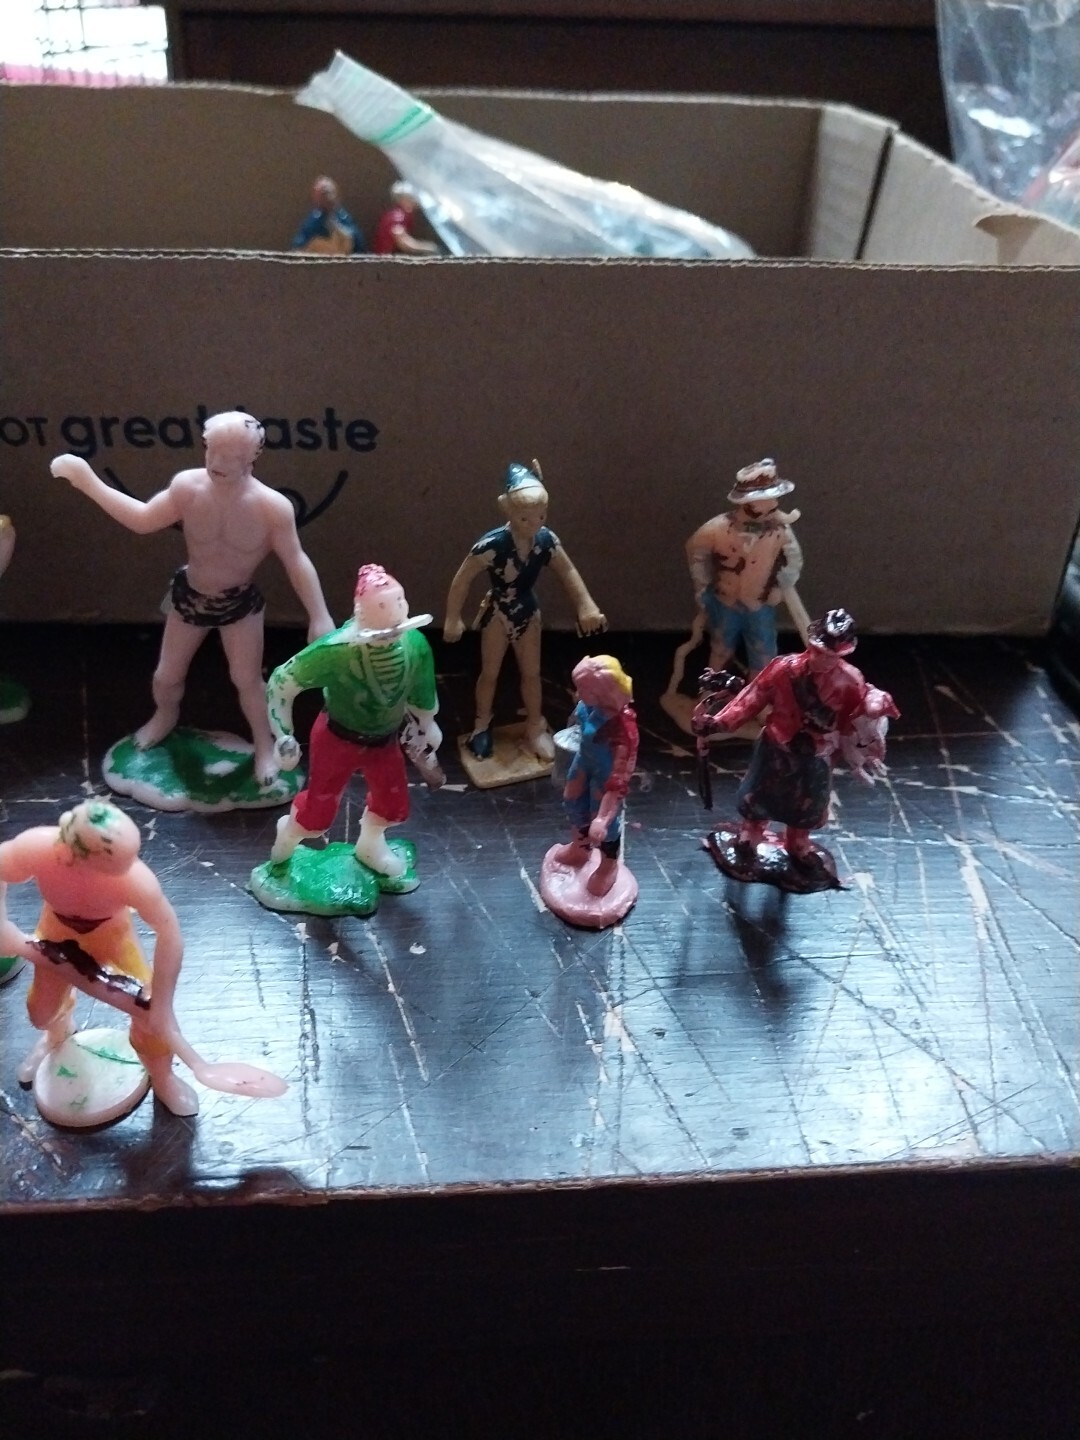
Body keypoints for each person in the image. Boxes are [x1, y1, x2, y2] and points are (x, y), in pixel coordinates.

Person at [52, 412, 334, 784]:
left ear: (251, 458)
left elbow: (296, 560)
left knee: (247, 679)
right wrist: (87, 481)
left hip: (240, 604)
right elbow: (141, 519)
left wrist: (318, 613)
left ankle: (264, 744)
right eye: (211, 450)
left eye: (230, 456)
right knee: (166, 675)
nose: (217, 462)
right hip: (191, 596)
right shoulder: (188, 487)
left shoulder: (271, 507)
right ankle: (165, 716)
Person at [0, 800, 202, 1115]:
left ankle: (163, 1077)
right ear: (68, 853)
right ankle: (57, 1035)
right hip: (55, 931)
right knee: (41, 1011)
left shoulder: (134, 879)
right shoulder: (38, 848)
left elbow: (170, 934)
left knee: (151, 1017)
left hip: (113, 937)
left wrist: (162, 1004)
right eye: (110, 868)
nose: (127, 871)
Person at [267, 564, 441, 881]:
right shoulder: (338, 651)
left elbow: (422, 688)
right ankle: (290, 833)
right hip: (337, 739)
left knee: (393, 803)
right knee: (318, 813)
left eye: (399, 600)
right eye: (383, 605)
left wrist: (427, 723)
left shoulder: (415, 645)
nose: (395, 611)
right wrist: (283, 735)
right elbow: (282, 681)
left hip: (385, 740)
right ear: (362, 612)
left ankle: (370, 845)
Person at [692, 608, 898, 870]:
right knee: (758, 795)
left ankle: (797, 844)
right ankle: (749, 837)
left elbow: (852, 722)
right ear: (811, 645)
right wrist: (719, 723)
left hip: (817, 752)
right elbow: (752, 698)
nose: (823, 659)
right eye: (819, 651)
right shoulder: (782, 669)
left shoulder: (850, 681)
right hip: (776, 744)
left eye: (830, 655)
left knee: (808, 805)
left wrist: (863, 746)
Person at [444, 461, 606, 763]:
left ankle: (534, 726)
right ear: (505, 508)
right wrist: (453, 618)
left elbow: (567, 570)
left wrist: (586, 605)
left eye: (541, 516)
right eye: (524, 517)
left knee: (531, 674)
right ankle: (481, 725)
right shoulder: (492, 544)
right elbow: (462, 578)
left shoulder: (545, 540)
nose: (534, 523)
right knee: (490, 673)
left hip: (528, 612)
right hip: (498, 613)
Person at [684, 457, 803, 677]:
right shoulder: (717, 529)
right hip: (725, 601)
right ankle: (714, 688)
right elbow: (696, 551)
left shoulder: (780, 531)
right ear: (749, 503)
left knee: (763, 651)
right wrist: (703, 587)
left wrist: (780, 586)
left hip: (759, 604)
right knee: (720, 648)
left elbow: (794, 560)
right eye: (766, 500)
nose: (773, 505)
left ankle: (760, 692)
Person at [551, 655, 639, 899]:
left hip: (606, 776)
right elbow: (576, 727)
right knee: (572, 801)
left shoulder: (622, 729)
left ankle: (608, 865)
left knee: (602, 825)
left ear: (601, 692)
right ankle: (580, 848)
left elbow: (620, 778)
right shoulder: (587, 706)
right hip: (584, 763)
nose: (577, 693)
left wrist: (603, 817)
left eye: (583, 689)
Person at [291, 175, 365, 255]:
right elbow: (299, 244)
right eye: (321, 195)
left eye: (327, 193)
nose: (326, 198)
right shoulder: (313, 220)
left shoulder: (344, 217)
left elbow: (357, 242)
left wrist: (338, 229)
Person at [372, 182, 438, 256]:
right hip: (386, 260)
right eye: (411, 197)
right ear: (403, 199)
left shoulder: (404, 214)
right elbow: (403, 243)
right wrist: (430, 248)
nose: (415, 200)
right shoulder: (397, 216)